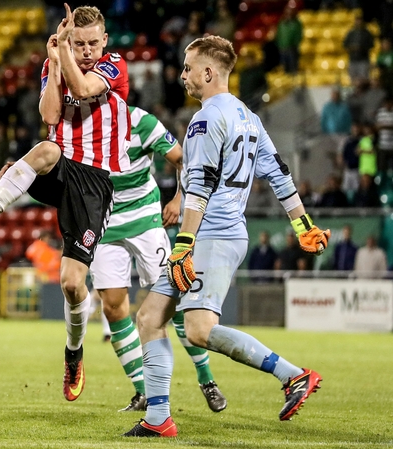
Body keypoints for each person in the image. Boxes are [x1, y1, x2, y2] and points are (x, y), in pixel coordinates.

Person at [124, 36, 330, 438]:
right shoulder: (248, 117)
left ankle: (293, 376)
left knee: (198, 330)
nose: (182, 75)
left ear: (208, 72)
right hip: (223, 232)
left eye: (187, 68)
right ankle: (158, 419)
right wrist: (302, 225)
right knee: (149, 318)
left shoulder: (204, 119)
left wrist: (183, 245)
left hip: (210, 235)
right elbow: (278, 172)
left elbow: (198, 185)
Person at [0, 4, 130, 402]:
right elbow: (50, 112)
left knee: (71, 284)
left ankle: (73, 352)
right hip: (62, 164)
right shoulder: (57, 64)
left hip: (95, 183)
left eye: (91, 43)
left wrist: (62, 50)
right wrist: (53, 61)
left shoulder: (115, 65)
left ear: (104, 41)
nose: (85, 50)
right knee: (45, 149)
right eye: (78, 43)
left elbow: (83, 90)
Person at [89, 106, 227, 413]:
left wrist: (179, 198)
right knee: (111, 306)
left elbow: (183, 161)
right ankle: (143, 392)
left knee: (172, 298)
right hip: (103, 223)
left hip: (146, 219)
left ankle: (206, 379)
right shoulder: (78, 127)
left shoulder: (140, 122)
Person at [342, 15, 376, 84]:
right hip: (353, 59)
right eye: (357, 21)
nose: (358, 22)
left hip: (363, 59)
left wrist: (361, 47)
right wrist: (352, 48)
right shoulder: (351, 33)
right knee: (353, 80)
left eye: (359, 21)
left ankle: (365, 94)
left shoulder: (366, 33)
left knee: (364, 79)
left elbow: (372, 44)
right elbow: (345, 44)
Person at [276, 7, 303, 74]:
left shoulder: (296, 24)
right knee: (284, 67)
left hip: (292, 48)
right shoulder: (282, 23)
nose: (288, 15)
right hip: (282, 48)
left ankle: (293, 80)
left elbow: (298, 35)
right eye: (287, 13)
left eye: (290, 13)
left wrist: (294, 45)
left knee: (293, 67)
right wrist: (279, 44)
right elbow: (278, 34)